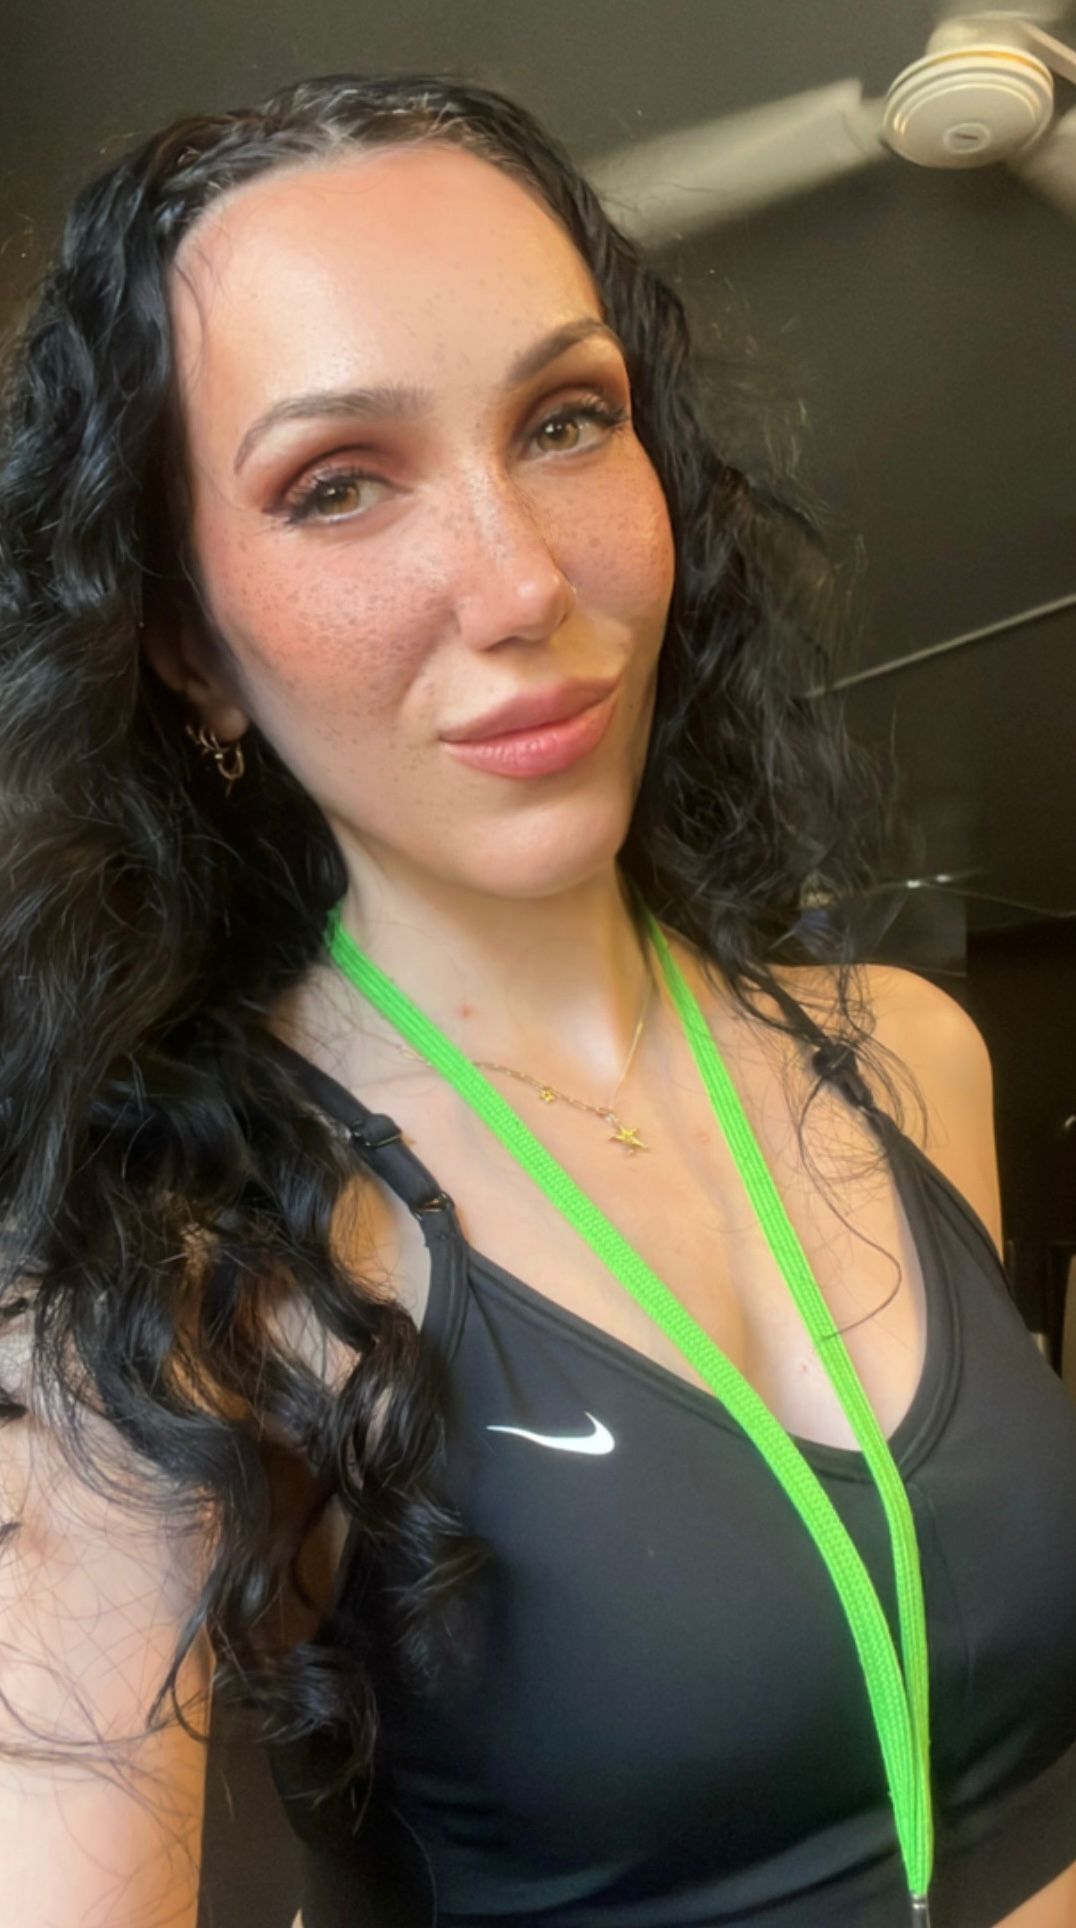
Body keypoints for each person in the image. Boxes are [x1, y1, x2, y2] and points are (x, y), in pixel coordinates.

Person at [0, 68, 1074, 1928]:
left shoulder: (909, 1054)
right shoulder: (169, 1267)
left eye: (567, 421)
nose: (519, 583)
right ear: (187, 644)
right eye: (337, 485)